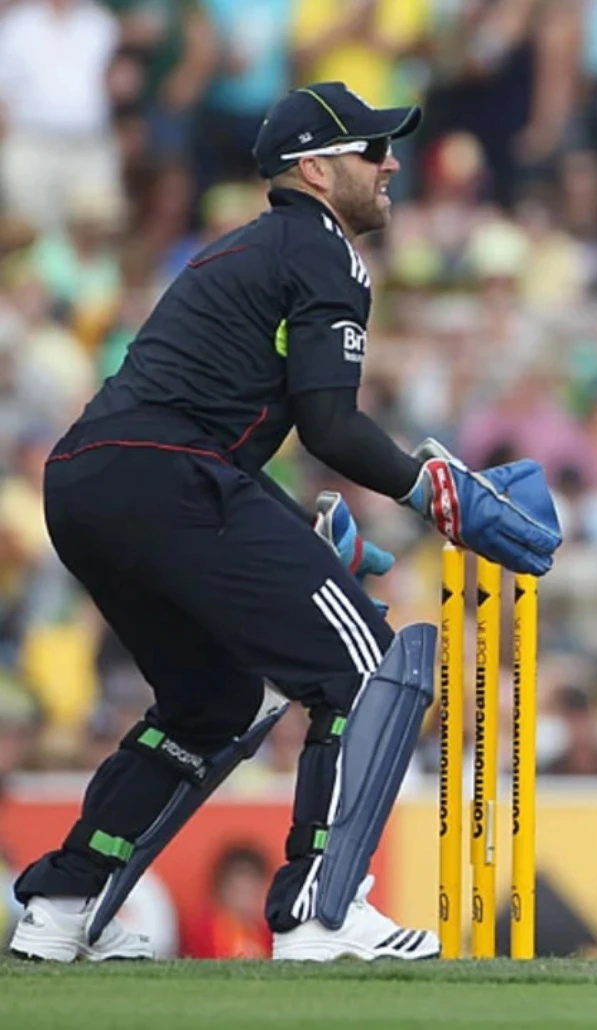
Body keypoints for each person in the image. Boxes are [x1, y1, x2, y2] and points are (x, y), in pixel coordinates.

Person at [6, 82, 562, 963]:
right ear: (315, 170)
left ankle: (63, 903)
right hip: (171, 477)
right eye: (370, 150)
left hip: (88, 483)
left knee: (213, 701)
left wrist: (297, 527)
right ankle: (320, 910)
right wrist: (437, 493)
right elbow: (329, 426)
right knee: (368, 666)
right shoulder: (324, 250)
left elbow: (193, 429)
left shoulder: (239, 248)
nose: (390, 164)